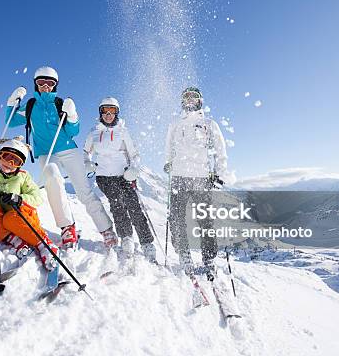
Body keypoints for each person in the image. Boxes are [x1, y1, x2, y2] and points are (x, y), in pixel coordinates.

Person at [5, 66, 117, 250]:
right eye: (41, 82)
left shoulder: (59, 104)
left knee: (84, 191)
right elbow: (10, 121)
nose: (45, 86)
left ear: (55, 85)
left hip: (68, 150)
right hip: (45, 153)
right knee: (52, 178)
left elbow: (74, 131)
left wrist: (72, 115)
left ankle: (106, 229)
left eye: (50, 83)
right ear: (36, 84)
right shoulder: (31, 106)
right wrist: (12, 102)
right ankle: (67, 227)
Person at [163, 87, 230, 277]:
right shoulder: (175, 123)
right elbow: (168, 145)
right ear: (182, 102)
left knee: (205, 221)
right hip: (178, 177)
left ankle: (209, 258)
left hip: (201, 178)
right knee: (176, 219)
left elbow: (220, 150)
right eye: (186, 98)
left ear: (200, 101)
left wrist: (220, 173)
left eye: (194, 97)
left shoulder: (209, 123)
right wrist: (167, 162)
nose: (190, 101)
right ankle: (183, 254)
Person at [83, 97, 156, 262]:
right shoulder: (94, 132)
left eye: (112, 111)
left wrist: (133, 169)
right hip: (104, 177)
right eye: (105, 111)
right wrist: (87, 163)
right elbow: (85, 152)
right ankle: (127, 238)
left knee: (134, 207)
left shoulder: (123, 131)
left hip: (123, 176)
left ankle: (147, 243)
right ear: (100, 113)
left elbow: (135, 154)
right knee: (117, 207)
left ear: (117, 113)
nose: (108, 115)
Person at [0, 138, 58, 270]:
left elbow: (37, 198)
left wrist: (19, 199)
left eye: (16, 161)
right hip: (1, 219)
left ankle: (44, 244)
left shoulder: (23, 177)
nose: (10, 163)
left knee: (10, 217)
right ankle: (16, 240)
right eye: (7, 157)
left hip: (22, 217)